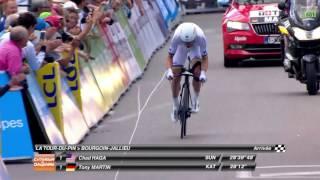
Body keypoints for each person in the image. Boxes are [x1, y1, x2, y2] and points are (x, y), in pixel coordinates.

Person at [165, 22, 208, 123]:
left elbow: (205, 58)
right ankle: (175, 106)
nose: (188, 44)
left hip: (196, 47)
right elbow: (169, 57)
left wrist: (203, 73)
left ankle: (195, 100)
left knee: (197, 72)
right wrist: (169, 71)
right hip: (181, 47)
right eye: (186, 42)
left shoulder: (200, 37)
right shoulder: (177, 37)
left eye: (190, 42)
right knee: (175, 76)